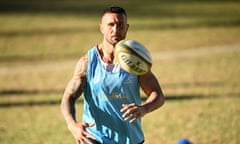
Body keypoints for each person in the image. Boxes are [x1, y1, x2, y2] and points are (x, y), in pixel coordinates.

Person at [60, 6, 164, 144]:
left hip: (130, 139)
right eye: (111, 25)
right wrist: (72, 125)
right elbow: (69, 96)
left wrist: (144, 108)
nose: (115, 30)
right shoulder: (88, 62)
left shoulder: (135, 61)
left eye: (120, 25)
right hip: (94, 137)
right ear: (101, 28)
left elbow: (158, 95)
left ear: (127, 28)